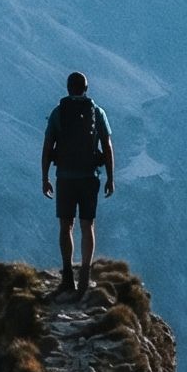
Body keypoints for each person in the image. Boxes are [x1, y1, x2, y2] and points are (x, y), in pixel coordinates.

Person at [41, 71, 114, 298]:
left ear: (67, 88)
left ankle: (67, 276)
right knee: (87, 226)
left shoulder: (58, 113)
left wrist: (45, 178)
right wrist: (111, 177)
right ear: (86, 88)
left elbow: (47, 148)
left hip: (65, 177)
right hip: (89, 176)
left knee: (66, 226)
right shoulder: (97, 112)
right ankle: (84, 272)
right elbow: (107, 146)